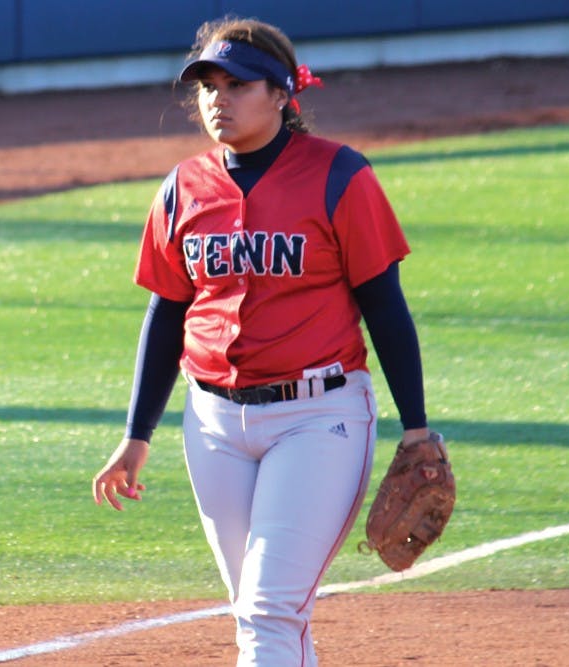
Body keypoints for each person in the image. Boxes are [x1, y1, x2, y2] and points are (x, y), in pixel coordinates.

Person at [92, 16, 443, 666]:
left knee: (268, 609)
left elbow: (384, 306)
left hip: (319, 417)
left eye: (238, 84)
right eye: (207, 86)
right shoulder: (181, 189)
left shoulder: (340, 176)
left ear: (281, 95)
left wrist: (417, 426)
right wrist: (137, 435)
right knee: (264, 613)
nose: (217, 99)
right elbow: (167, 311)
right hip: (214, 424)